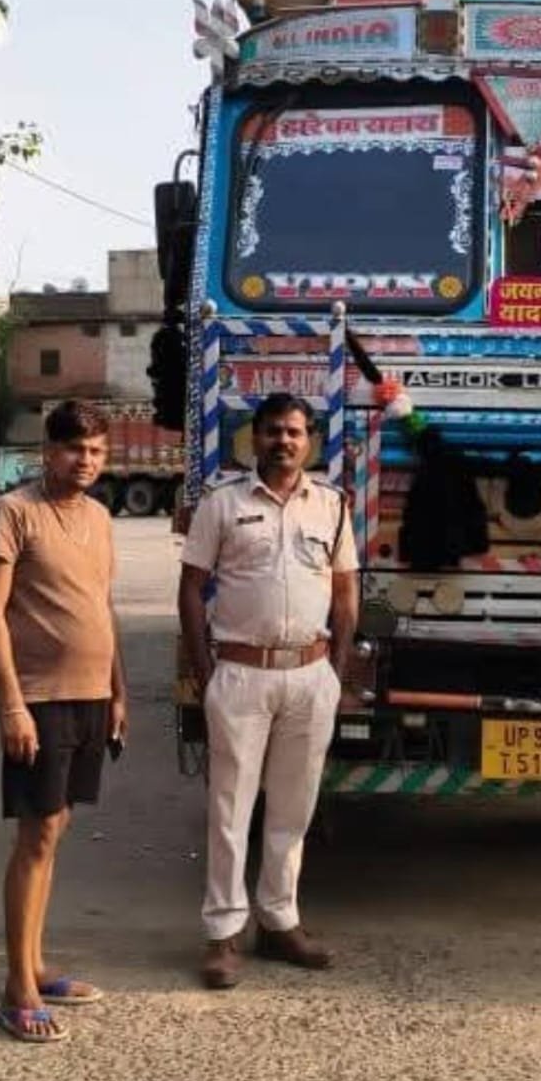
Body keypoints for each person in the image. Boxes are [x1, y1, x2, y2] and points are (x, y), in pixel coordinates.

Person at [179, 393, 359, 989]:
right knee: (230, 810)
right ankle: (223, 933)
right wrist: (204, 670)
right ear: (253, 438)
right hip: (240, 675)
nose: (284, 441)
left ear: (309, 441)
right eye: (274, 431)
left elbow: (345, 593)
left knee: (293, 808)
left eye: (294, 432)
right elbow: (191, 588)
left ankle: (280, 922)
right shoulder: (223, 504)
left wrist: (335, 669)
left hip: (310, 676)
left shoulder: (331, 507)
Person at [0, 400, 128, 1042]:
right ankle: (17, 991)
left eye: (95, 451)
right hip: (39, 700)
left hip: (91, 696)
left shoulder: (99, 516)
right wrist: (11, 704)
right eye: (73, 449)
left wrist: (118, 691)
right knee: (35, 837)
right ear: (48, 451)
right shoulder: (10, 513)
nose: (84, 461)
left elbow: (102, 606)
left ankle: (36, 965)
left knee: (55, 828)